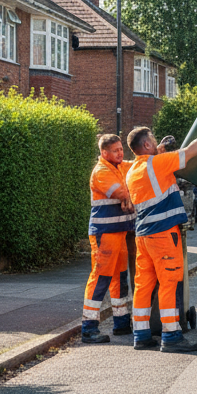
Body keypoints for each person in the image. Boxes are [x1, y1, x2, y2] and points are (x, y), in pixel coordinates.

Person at [125, 120, 197, 353]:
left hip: (143, 237)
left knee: (143, 286)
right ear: (146, 144)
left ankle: (141, 335)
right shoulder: (157, 164)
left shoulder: (133, 171)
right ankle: (171, 336)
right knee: (168, 283)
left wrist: (160, 151)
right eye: (154, 140)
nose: (157, 142)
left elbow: (155, 176)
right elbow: (189, 153)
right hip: (164, 234)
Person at [81, 134, 135, 344]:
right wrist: (129, 197)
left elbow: (139, 166)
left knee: (119, 279)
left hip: (118, 232)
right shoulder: (102, 171)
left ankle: (121, 323)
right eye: (115, 150)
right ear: (104, 153)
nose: (120, 153)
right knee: (100, 278)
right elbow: (120, 192)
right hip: (105, 234)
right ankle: (89, 327)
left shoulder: (120, 166)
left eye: (121, 149)